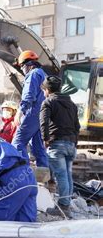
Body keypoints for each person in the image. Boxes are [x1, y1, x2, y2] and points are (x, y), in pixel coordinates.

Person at [40, 76, 80, 217]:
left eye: (44, 90)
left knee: (62, 176)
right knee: (68, 175)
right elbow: (77, 126)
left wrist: (45, 139)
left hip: (57, 143)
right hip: (70, 143)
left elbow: (44, 122)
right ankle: (66, 205)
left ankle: (63, 207)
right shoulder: (72, 104)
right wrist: (74, 141)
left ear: (47, 89)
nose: (43, 92)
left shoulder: (48, 102)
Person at [12, 50, 49, 169]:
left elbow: (29, 95)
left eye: (22, 66)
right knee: (38, 148)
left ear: (29, 65)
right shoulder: (43, 74)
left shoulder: (33, 74)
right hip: (43, 115)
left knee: (17, 143)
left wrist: (20, 111)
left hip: (33, 113)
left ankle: (23, 173)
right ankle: (46, 178)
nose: (22, 69)